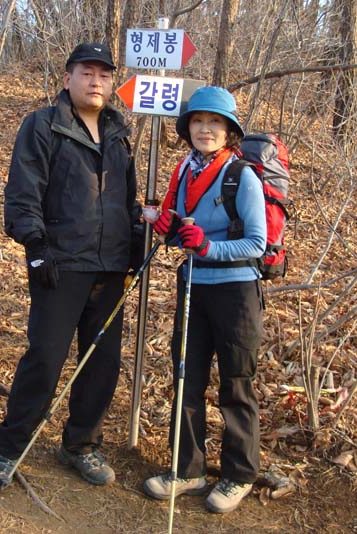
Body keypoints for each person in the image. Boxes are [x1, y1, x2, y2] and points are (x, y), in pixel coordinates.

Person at [0, 43, 141, 493]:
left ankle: (81, 445)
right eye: (87, 73)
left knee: (102, 362)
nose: (96, 82)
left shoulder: (118, 133)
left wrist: (136, 238)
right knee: (46, 359)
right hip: (60, 264)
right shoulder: (44, 124)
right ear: (68, 77)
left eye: (104, 75)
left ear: (111, 83)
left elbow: (126, 201)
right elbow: (23, 191)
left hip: (110, 268)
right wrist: (35, 245)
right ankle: (9, 448)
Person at [142, 86, 266, 514]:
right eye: (198, 121)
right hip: (194, 284)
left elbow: (257, 243)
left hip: (235, 291)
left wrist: (209, 248)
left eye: (215, 123)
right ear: (188, 128)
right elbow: (182, 229)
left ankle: (238, 475)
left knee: (236, 384)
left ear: (229, 131)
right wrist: (166, 228)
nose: (206, 129)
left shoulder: (241, 176)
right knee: (186, 378)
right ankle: (187, 469)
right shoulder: (184, 171)